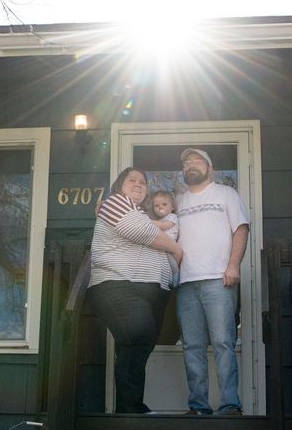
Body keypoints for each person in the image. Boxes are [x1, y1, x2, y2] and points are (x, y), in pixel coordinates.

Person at [88, 167, 185, 414]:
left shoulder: (141, 213)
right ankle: (131, 410)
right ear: (119, 186)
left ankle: (128, 410)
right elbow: (142, 232)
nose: (138, 184)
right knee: (137, 338)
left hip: (151, 292)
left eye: (143, 181)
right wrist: (176, 250)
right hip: (119, 286)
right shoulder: (115, 203)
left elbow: (148, 232)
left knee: (135, 346)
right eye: (132, 180)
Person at [175, 148, 251, 416]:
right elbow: (156, 227)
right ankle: (198, 406)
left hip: (219, 280)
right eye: (186, 162)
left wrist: (233, 266)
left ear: (210, 168)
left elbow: (241, 228)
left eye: (197, 160)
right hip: (185, 283)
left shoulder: (226, 194)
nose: (190, 165)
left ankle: (230, 405)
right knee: (192, 346)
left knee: (223, 343)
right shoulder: (179, 201)